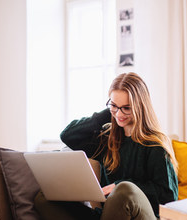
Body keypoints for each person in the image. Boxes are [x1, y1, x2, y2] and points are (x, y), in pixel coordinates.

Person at [34, 72, 178, 220]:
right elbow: (68, 135)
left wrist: (119, 186)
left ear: (139, 107)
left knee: (124, 190)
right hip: (108, 216)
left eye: (126, 108)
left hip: (142, 216)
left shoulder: (155, 143)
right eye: (114, 105)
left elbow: (168, 196)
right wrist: (108, 113)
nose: (119, 114)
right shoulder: (106, 138)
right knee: (45, 197)